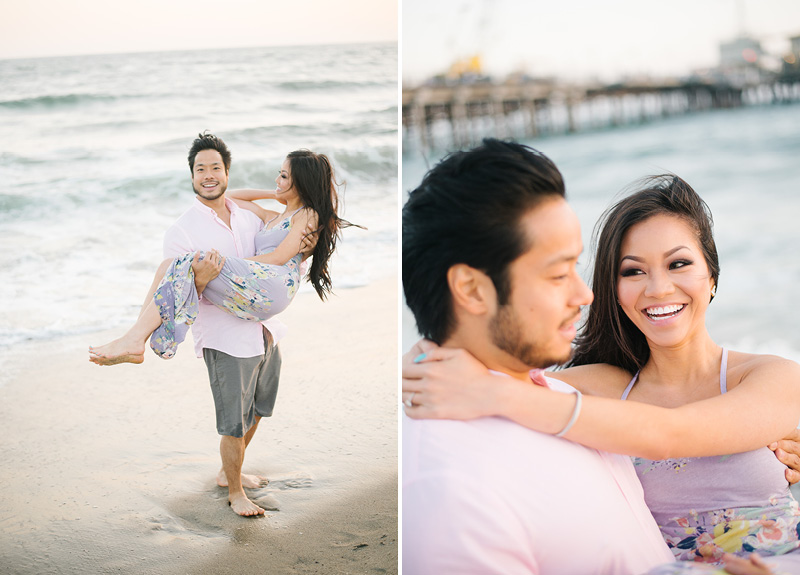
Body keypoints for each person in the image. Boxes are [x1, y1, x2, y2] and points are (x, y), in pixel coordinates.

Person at [402, 138, 778, 575]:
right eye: (559, 274)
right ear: (470, 290)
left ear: (711, 273)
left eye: (679, 264)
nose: (584, 296)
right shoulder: (454, 486)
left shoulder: (563, 401)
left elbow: (673, 433)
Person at [90, 133, 351, 517]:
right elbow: (182, 286)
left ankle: (135, 339)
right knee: (179, 268)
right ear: (191, 175)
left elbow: (276, 253)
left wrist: (269, 247)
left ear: (226, 171)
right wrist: (280, 194)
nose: (209, 175)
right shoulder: (192, 227)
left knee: (258, 407)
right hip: (228, 333)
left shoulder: (288, 216)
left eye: (216, 168)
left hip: (266, 308)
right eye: (201, 169)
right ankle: (233, 488)